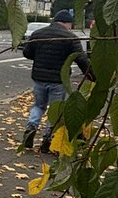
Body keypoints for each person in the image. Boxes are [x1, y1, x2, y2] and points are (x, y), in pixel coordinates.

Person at [21, 9, 92, 153]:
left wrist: (40, 57)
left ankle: (30, 128)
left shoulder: (38, 34)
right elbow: (81, 59)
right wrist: (91, 75)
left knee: (38, 106)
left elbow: (27, 52)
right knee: (55, 110)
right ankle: (47, 139)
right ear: (67, 23)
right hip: (59, 80)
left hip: (39, 77)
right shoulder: (70, 38)